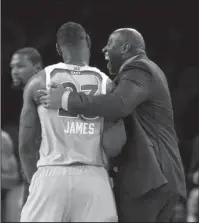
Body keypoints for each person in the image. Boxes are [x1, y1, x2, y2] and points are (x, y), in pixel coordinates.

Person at [39, 28, 187, 222]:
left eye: (109, 44)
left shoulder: (138, 69)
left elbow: (119, 104)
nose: (103, 49)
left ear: (125, 47)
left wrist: (66, 99)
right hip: (162, 178)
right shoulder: (148, 71)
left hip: (150, 179)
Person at [19, 22, 126, 222]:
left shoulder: (38, 82)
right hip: (94, 177)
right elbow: (114, 146)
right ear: (88, 41)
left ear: (59, 48)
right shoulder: (108, 85)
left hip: (50, 175)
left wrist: (36, 182)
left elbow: (25, 145)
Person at [10, 47, 44, 208]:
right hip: (34, 176)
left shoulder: (44, 93)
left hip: (43, 177)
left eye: (20, 66)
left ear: (37, 67)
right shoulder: (28, 96)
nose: (15, 71)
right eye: (12, 67)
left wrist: (35, 182)